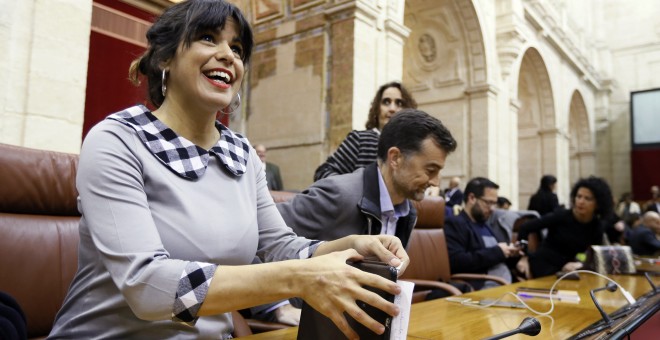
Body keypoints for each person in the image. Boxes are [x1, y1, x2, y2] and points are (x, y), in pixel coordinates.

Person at [48, 1, 409, 339]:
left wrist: (351, 245)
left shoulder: (241, 153)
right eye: (208, 38)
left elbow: (280, 246)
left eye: (237, 49)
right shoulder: (116, 140)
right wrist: (300, 278)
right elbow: (147, 288)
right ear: (165, 59)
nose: (227, 56)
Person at [252, 109, 458, 322]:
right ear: (395, 158)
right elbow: (252, 233)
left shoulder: (409, 211)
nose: (436, 182)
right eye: (431, 170)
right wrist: (278, 307)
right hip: (309, 326)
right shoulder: (338, 194)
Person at [313, 81, 417, 181]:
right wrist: (355, 189)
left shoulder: (414, 150)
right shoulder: (360, 140)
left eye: (399, 103)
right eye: (386, 102)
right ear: (377, 109)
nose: (392, 108)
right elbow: (323, 173)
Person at [516, 176, 613, 278]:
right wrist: (523, 257)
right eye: (578, 196)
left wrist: (581, 264)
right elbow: (525, 227)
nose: (581, 201)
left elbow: (592, 255)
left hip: (570, 269)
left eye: (587, 198)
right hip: (545, 265)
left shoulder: (597, 225)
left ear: (598, 204)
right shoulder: (560, 215)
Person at [444, 177, 521, 290]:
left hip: (506, 285)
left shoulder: (485, 225)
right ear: (472, 198)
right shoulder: (455, 223)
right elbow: (457, 262)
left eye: (495, 203)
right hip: (483, 289)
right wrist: (498, 251)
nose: (493, 208)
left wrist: (512, 255)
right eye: (488, 203)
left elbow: (495, 259)